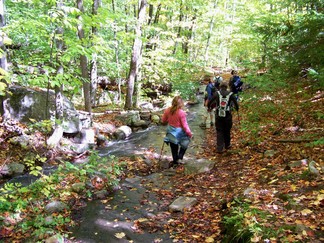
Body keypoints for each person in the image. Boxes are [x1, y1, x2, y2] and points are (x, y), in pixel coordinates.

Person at [162, 96, 193, 167]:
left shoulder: (167, 110)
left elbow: (163, 120)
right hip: (179, 132)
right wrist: (189, 133)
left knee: (173, 147)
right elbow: (185, 126)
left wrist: (169, 119)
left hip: (170, 131)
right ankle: (180, 157)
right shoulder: (181, 113)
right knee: (185, 144)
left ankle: (175, 161)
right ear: (181, 103)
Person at [208, 82, 239, 153]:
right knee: (227, 130)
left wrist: (209, 107)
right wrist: (236, 109)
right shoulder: (231, 94)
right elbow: (236, 104)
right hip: (227, 115)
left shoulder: (216, 93)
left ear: (220, 87)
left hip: (218, 115)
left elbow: (210, 102)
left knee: (219, 131)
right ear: (226, 87)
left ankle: (219, 148)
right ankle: (227, 145)